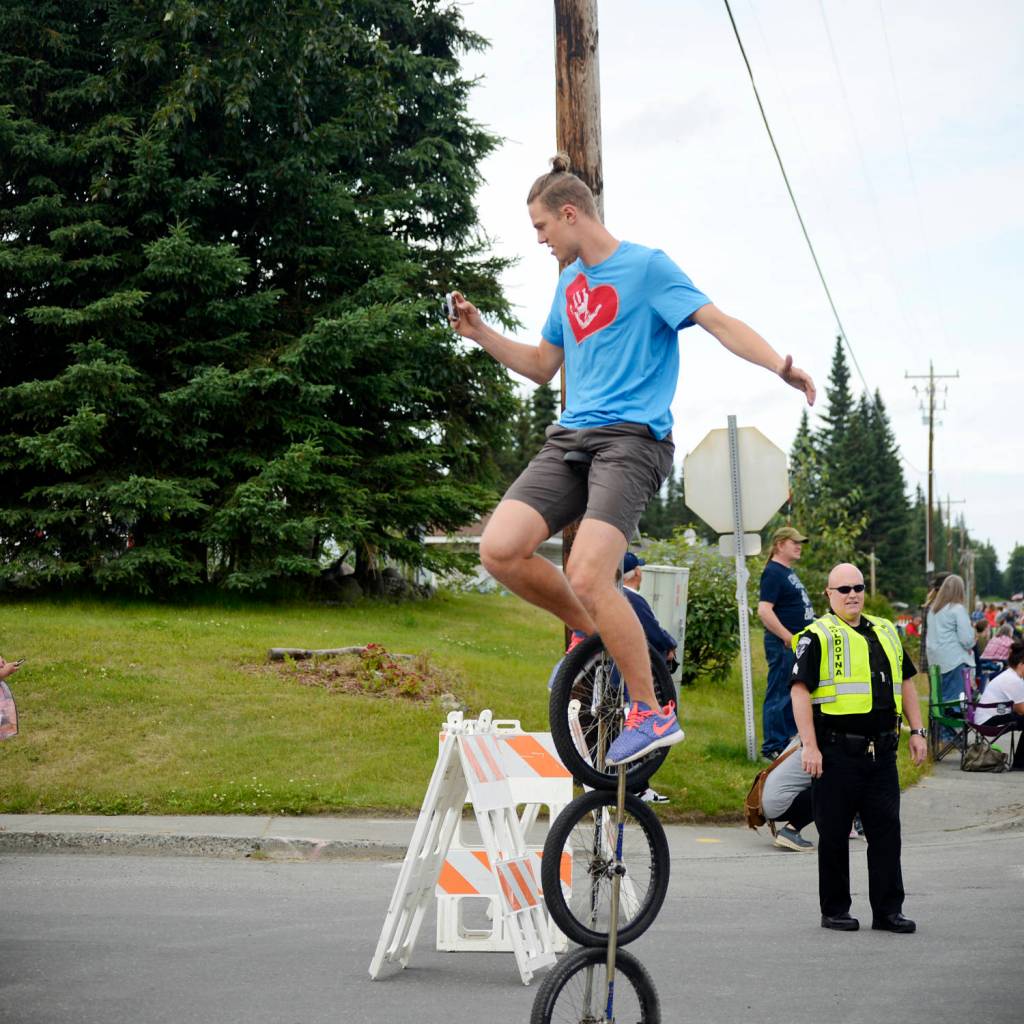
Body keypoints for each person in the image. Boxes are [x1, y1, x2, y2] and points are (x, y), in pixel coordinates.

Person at [449, 154, 816, 766]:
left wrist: (779, 365)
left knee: (594, 572)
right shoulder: (569, 285)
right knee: (499, 549)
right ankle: (598, 639)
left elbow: (718, 322)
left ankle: (652, 710)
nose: (540, 241)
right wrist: (481, 332)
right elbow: (543, 367)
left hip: (632, 441)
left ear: (570, 214)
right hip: (570, 439)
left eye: (542, 228)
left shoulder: (647, 269)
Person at [790, 562, 927, 933]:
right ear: (829, 595)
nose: (852, 594)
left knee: (886, 835)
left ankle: (887, 911)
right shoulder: (816, 635)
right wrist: (809, 746)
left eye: (858, 587)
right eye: (844, 589)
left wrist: (918, 730)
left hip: (881, 752)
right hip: (836, 752)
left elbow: (907, 682)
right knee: (833, 835)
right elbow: (799, 691)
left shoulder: (885, 630)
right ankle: (835, 909)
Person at [757, 526, 815, 760]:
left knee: (794, 692)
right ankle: (773, 745)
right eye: (794, 542)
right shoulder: (773, 572)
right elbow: (764, 610)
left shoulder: (786, 571)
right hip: (784, 645)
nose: (799, 546)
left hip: (797, 644)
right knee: (780, 692)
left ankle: (789, 742)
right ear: (780, 544)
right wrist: (787, 636)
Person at [973, 639, 1024, 771]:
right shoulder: (1013, 680)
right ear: (1021, 664)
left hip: (991, 716)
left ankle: (1020, 762)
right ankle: (1020, 763)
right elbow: (1021, 710)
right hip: (988, 722)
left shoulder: (1012, 676)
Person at [925, 574, 975, 709]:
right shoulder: (957, 609)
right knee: (953, 703)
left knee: (937, 702)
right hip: (954, 661)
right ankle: (949, 730)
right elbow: (966, 640)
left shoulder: (933, 610)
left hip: (935, 661)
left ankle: (937, 730)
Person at [761, 739, 814, 852]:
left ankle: (787, 832)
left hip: (768, 805)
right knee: (830, 789)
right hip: (778, 804)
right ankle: (791, 830)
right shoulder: (818, 747)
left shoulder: (801, 739)